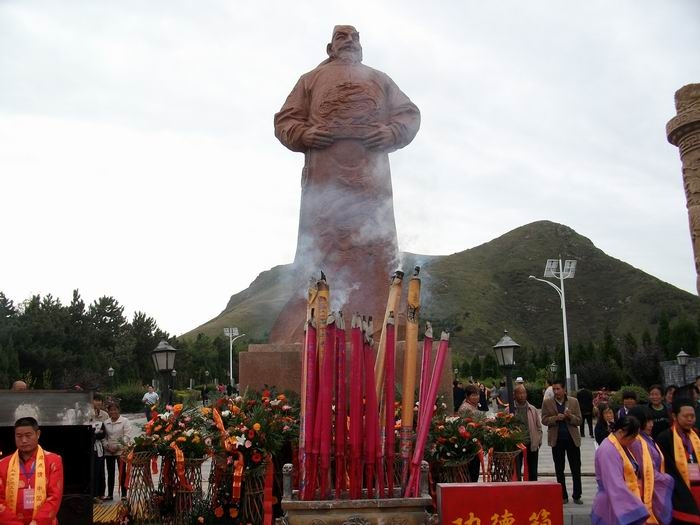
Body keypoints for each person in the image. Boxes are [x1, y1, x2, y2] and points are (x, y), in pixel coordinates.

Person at [271, 25, 421, 343]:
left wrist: (391, 132)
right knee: (323, 247)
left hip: (371, 184)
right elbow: (285, 120)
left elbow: (409, 114)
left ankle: (381, 320)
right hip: (325, 181)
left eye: (355, 37)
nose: (350, 41)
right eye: (342, 37)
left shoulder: (380, 80)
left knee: (375, 245)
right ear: (330, 47)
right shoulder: (310, 80)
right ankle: (312, 325)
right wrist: (305, 133)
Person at [0, 417, 63, 524]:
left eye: (28, 435)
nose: (24, 440)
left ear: (38, 434)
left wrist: (36, 523)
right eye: (19, 436)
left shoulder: (53, 460)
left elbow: (54, 498)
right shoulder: (3, 464)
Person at [591, 416, 652, 525]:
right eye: (632, 437)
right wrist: (637, 509)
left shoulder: (621, 445)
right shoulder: (607, 450)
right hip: (611, 504)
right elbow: (615, 484)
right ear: (620, 432)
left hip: (622, 498)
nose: (634, 440)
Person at [627, 405, 674, 525]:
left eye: (651, 421)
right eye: (647, 421)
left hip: (653, 485)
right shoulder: (637, 442)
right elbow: (646, 471)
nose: (651, 424)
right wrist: (667, 479)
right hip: (644, 489)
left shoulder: (646, 438)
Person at [656, 397, 700, 523]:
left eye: (692, 416)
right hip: (679, 492)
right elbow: (667, 470)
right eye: (686, 416)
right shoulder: (664, 438)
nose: (690, 419)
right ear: (674, 416)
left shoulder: (697, 434)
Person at [541, 379, 583, 504]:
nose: (556, 391)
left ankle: (577, 495)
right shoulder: (547, 402)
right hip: (557, 440)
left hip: (572, 439)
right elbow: (544, 420)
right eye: (554, 389)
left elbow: (579, 420)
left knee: (576, 468)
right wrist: (555, 418)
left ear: (564, 389)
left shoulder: (573, 401)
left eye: (558, 389)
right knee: (559, 469)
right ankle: (563, 495)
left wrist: (570, 416)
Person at [102, 402, 133, 501]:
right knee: (110, 473)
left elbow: (127, 436)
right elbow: (103, 437)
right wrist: (107, 446)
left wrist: (118, 447)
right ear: (108, 411)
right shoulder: (106, 423)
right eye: (111, 410)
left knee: (122, 472)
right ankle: (110, 494)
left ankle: (124, 494)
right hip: (109, 451)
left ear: (119, 410)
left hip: (121, 451)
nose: (113, 412)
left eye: (115, 410)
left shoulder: (125, 421)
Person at [512, 384, 543, 481]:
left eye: (524, 393)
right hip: (516, 445)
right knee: (516, 471)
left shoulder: (532, 409)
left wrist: (538, 440)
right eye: (519, 393)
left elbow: (539, 426)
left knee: (532, 471)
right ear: (514, 395)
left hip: (531, 443)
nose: (522, 395)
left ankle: (533, 488)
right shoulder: (510, 409)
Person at [457, 384, 481, 483]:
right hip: (468, 442)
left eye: (477, 394)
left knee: (475, 469)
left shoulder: (473, 406)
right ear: (467, 396)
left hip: (475, 441)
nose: (476, 397)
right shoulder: (465, 408)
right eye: (473, 395)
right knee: (472, 470)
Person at [89, 394, 109, 502]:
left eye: (100, 400)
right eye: (96, 400)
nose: (98, 402)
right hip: (91, 446)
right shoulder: (88, 413)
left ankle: (101, 493)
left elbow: (105, 431)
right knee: (93, 471)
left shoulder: (105, 415)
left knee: (101, 470)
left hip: (101, 445)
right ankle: (94, 494)